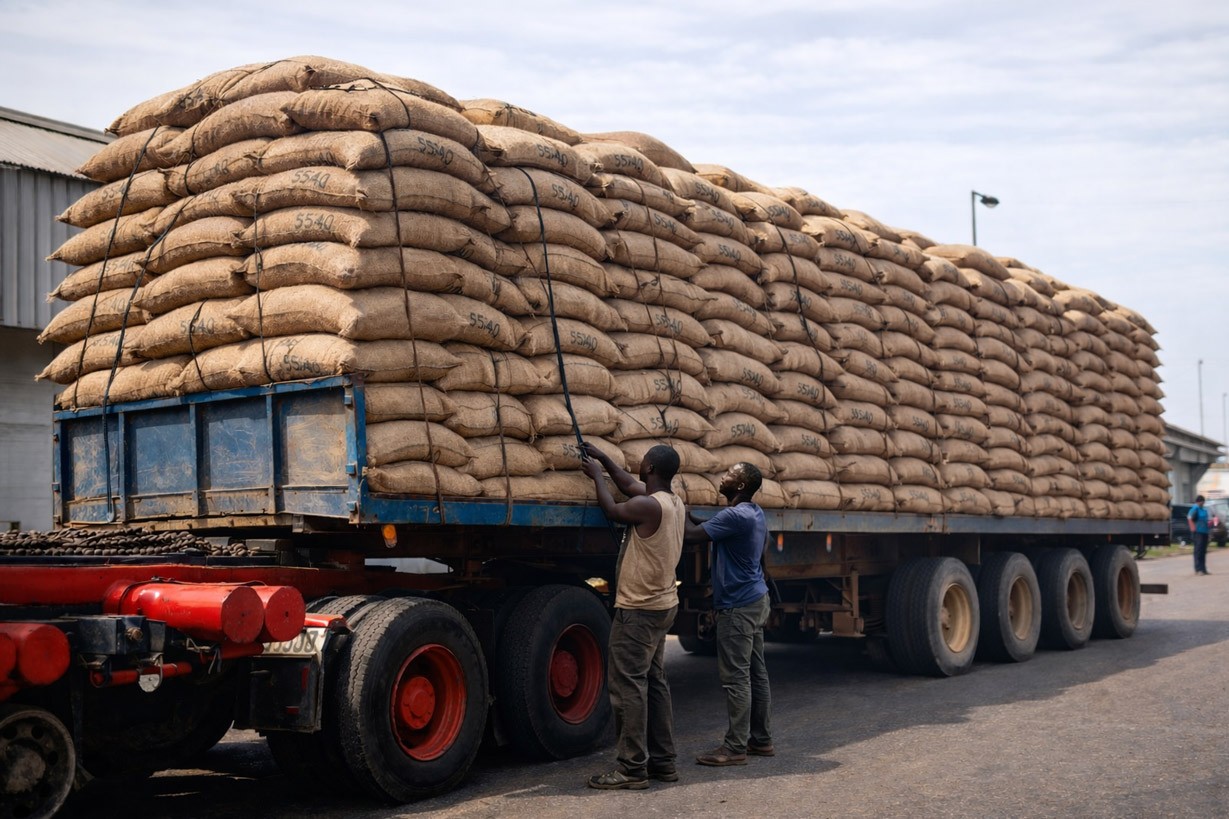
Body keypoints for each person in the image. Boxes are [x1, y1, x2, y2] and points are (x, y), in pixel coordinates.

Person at [581, 441, 685, 790]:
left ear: (651, 468)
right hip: (663, 605)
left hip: (639, 609)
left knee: (628, 686)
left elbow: (612, 508)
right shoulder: (671, 501)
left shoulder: (647, 506)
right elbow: (627, 484)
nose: (640, 464)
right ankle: (664, 762)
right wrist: (603, 459)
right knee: (654, 682)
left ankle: (631, 768)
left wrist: (596, 477)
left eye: (644, 461)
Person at [683, 462, 774, 766]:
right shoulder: (753, 512)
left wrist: (672, 507)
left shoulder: (734, 516)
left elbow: (692, 536)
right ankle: (761, 740)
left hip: (738, 606)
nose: (722, 477)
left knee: (736, 678)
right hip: (756, 599)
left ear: (740, 486)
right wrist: (692, 516)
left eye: (730, 475)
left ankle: (735, 747)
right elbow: (709, 525)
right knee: (756, 673)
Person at [1189, 496, 1211, 575]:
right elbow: (1190, 519)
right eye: (1202, 501)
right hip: (1198, 532)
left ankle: (1203, 569)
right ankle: (1198, 569)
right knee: (1198, 551)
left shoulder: (1204, 510)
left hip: (1205, 532)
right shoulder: (1195, 509)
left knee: (1203, 551)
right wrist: (1193, 530)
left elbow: (1206, 520)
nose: (1203, 503)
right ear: (1199, 501)